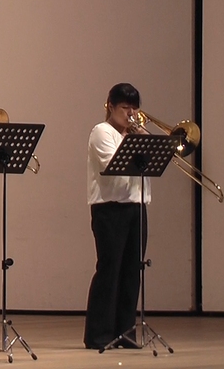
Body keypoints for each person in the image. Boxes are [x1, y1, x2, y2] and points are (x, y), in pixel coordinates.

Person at [83, 82, 150, 350]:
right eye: (125, 108)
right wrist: (138, 140)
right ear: (111, 107)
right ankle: (99, 334)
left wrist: (145, 140)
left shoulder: (133, 134)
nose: (131, 114)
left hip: (136, 205)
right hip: (110, 208)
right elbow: (114, 165)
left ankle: (126, 332)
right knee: (109, 270)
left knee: (133, 271)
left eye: (134, 108)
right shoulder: (102, 132)